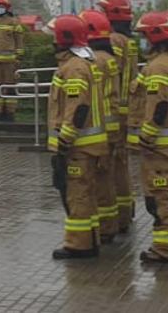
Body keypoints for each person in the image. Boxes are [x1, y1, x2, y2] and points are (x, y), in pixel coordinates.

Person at [129, 11, 168, 265]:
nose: (141, 41)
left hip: (161, 148)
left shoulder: (160, 66)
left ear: (154, 37)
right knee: (167, 195)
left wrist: (146, 135)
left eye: (143, 36)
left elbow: (159, 106)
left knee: (164, 197)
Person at [46, 15, 108, 260]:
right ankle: (88, 240)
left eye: (54, 36)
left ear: (64, 38)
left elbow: (77, 107)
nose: (52, 40)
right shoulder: (80, 63)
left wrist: (65, 139)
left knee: (77, 195)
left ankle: (79, 245)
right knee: (85, 193)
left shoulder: (74, 67)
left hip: (77, 147)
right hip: (84, 145)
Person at [79, 9, 126, 243]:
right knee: (106, 176)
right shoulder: (107, 57)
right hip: (111, 125)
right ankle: (109, 224)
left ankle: (105, 227)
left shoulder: (95, 60)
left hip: (101, 127)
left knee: (99, 179)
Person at [96, 0, 140, 234]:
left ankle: (113, 218)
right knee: (121, 163)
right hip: (125, 109)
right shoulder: (128, 41)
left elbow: (107, 73)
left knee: (109, 166)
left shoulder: (113, 41)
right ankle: (124, 211)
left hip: (113, 111)